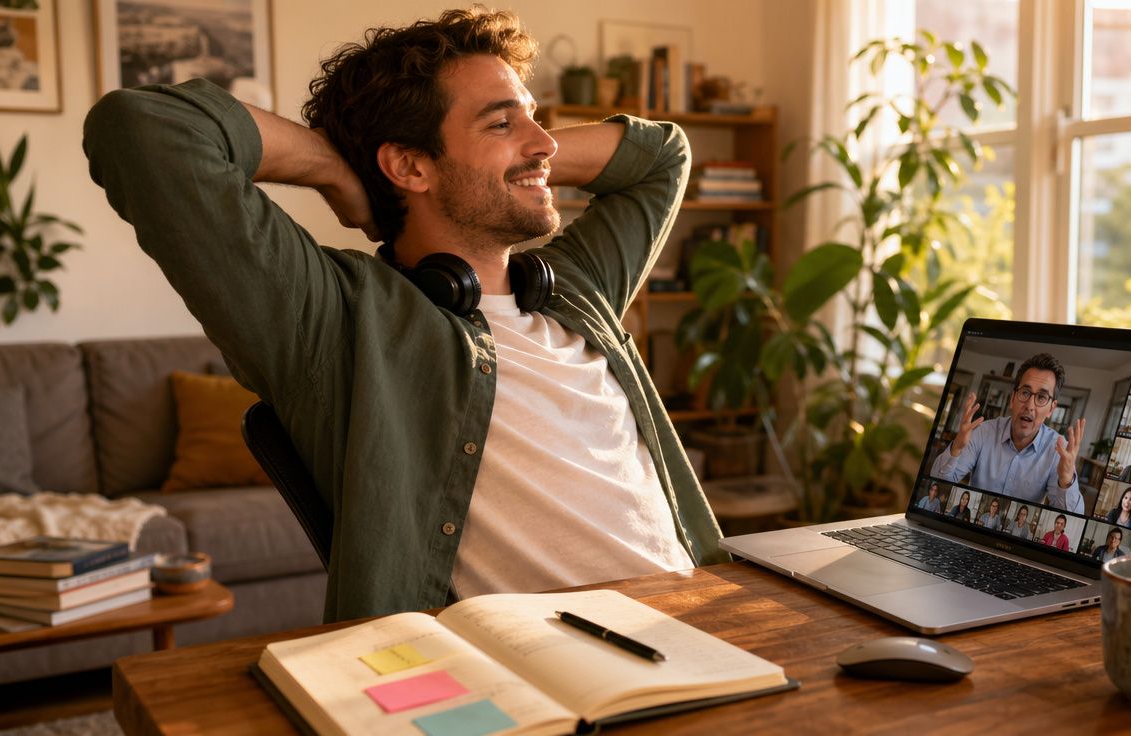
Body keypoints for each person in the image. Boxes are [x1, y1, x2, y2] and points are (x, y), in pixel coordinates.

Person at [83, 9, 727, 623]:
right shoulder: (336, 319)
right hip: (542, 665)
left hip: (707, 618)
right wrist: (334, 167)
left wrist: (516, 153)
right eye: (502, 123)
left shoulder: (575, 288)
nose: (547, 145)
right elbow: (142, 127)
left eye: (533, 117)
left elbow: (662, 157)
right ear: (411, 165)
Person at [930, 353, 1086, 512]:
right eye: (1025, 393)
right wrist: (956, 448)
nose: (1030, 406)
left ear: (1051, 409)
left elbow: (1069, 518)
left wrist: (1066, 481)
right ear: (1012, 399)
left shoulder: (1058, 450)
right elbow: (936, 486)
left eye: (1041, 397)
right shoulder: (984, 432)